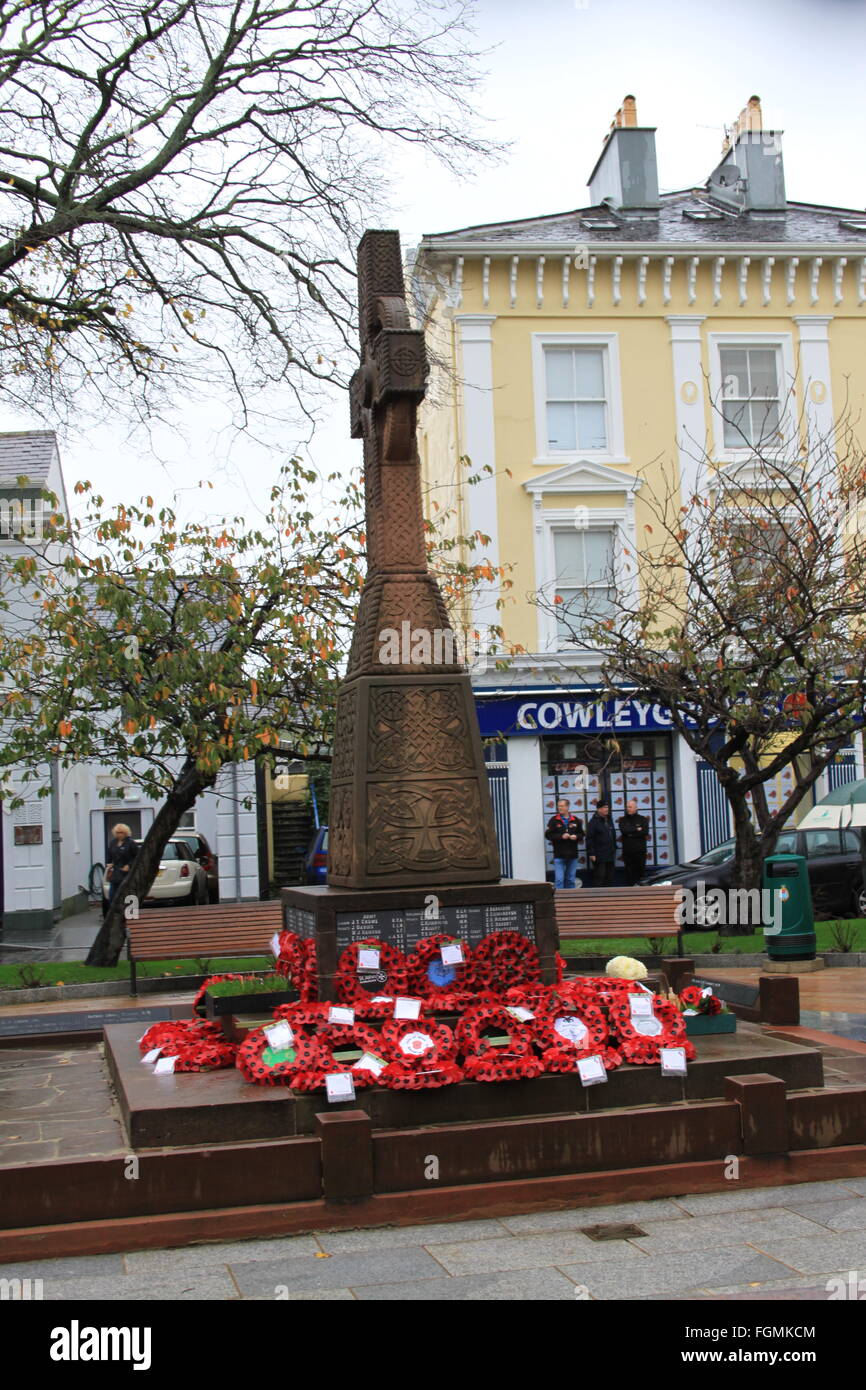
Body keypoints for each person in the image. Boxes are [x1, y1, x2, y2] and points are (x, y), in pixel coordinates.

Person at [545, 798, 584, 890]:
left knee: (570, 879)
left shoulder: (576, 820)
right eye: (558, 806)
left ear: (567, 807)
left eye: (562, 806)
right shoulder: (554, 820)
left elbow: (582, 834)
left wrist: (576, 836)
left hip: (572, 855)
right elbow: (548, 835)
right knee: (559, 880)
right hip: (559, 855)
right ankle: (559, 901)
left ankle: (571, 901)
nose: (560, 808)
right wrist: (561, 836)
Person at [104, 823, 138, 917]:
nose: (119, 834)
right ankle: (114, 915)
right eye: (118, 832)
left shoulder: (131, 843)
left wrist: (129, 865)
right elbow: (109, 856)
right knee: (112, 894)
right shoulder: (113, 842)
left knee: (128, 894)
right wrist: (109, 863)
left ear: (126, 833)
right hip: (115, 873)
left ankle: (131, 914)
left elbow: (137, 857)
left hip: (127, 873)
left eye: (122, 833)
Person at [618, 797, 651, 885]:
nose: (628, 809)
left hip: (640, 851)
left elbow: (645, 832)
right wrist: (637, 829)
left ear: (636, 808)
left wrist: (630, 833)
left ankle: (642, 894)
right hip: (628, 852)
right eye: (627, 807)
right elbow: (624, 831)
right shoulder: (622, 820)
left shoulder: (643, 819)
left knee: (641, 873)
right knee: (629, 874)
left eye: (630, 807)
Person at [586, 798, 617, 886]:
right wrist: (591, 853)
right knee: (600, 877)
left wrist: (614, 847)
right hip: (599, 855)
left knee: (610, 876)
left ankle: (609, 897)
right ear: (599, 809)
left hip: (610, 853)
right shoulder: (593, 822)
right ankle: (598, 897)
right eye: (604, 807)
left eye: (607, 807)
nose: (606, 809)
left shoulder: (609, 820)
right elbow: (589, 838)